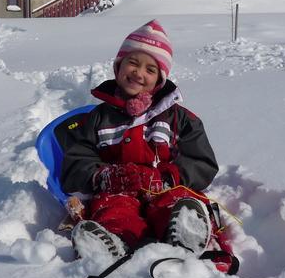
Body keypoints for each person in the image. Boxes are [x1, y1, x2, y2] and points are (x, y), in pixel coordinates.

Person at [57, 20, 219, 263]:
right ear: (118, 67)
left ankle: (185, 235)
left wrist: (167, 178)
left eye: (150, 70)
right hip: (117, 191)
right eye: (132, 62)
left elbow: (202, 163)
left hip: (164, 189)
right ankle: (111, 242)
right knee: (112, 208)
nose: (139, 73)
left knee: (177, 203)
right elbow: (75, 162)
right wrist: (105, 176)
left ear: (160, 80)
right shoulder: (96, 119)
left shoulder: (180, 119)